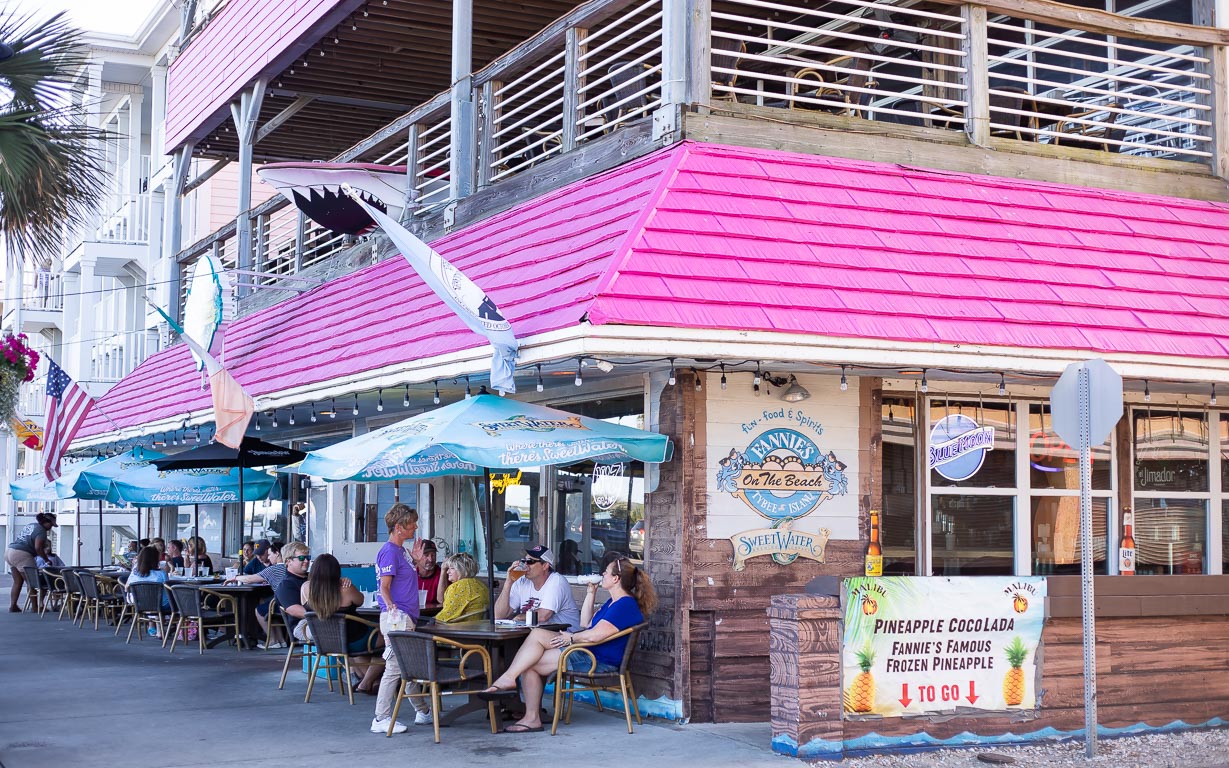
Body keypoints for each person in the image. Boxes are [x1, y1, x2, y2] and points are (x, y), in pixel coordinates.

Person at [479, 553, 656, 733]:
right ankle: (525, 706)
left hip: (596, 660)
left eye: (606, 573)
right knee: (530, 659)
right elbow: (585, 624)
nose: (602, 574)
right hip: (587, 652)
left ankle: (515, 690)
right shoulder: (612, 602)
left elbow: (595, 636)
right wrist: (590, 593)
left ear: (616, 578)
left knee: (534, 646)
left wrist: (571, 638)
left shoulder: (624, 605)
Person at [371, 503, 430, 735]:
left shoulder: (400, 551)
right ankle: (381, 717)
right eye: (411, 523)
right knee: (395, 667)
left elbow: (399, 581)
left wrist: (415, 561)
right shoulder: (389, 551)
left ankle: (422, 711)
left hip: (404, 616)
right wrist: (393, 607)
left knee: (407, 664)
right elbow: (384, 586)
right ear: (398, 527)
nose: (415, 527)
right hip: (398, 617)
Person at [302, 553, 383, 694]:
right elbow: (361, 600)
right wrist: (347, 583)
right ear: (336, 572)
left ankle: (374, 681)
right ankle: (367, 682)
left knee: (356, 651)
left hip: (326, 642)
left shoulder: (305, 588)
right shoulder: (346, 589)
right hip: (354, 639)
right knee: (390, 641)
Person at [494, 545, 581, 630]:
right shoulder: (521, 581)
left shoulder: (556, 581)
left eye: (530, 561)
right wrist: (508, 582)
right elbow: (498, 615)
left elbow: (543, 616)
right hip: (535, 634)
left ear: (545, 566)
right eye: (524, 561)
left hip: (565, 637)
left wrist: (519, 617)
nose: (525, 565)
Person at [5, 512, 57, 612]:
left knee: (17, 581)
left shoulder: (31, 525)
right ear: (46, 522)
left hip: (9, 552)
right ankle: (35, 607)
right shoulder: (41, 531)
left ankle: (13, 605)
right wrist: (46, 559)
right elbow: (38, 547)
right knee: (32, 582)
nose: (51, 528)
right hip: (22, 554)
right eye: (51, 525)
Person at [433, 553, 489, 624]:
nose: (447, 572)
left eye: (452, 568)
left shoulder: (457, 587)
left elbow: (444, 617)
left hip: (458, 629)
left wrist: (428, 621)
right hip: (476, 628)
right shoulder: (481, 586)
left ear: (461, 569)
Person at [273, 541, 312, 636]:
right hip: (302, 626)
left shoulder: (312, 577)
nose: (306, 561)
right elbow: (295, 610)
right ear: (288, 561)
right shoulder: (286, 585)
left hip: (320, 621)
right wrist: (326, 615)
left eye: (308, 558)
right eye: (302, 558)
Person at [125, 545, 171, 610]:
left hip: (138, 604)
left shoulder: (133, 574)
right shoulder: (162, 573)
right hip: (160, 605)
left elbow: (126, 588)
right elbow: (167, 590)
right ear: (155, 559)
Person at [410, 539, 442, 610]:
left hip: (434, 616)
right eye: (426, 555)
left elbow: (443, 601)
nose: (430, 559)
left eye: (433, 555)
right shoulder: (410, 574)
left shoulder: (442, 575)